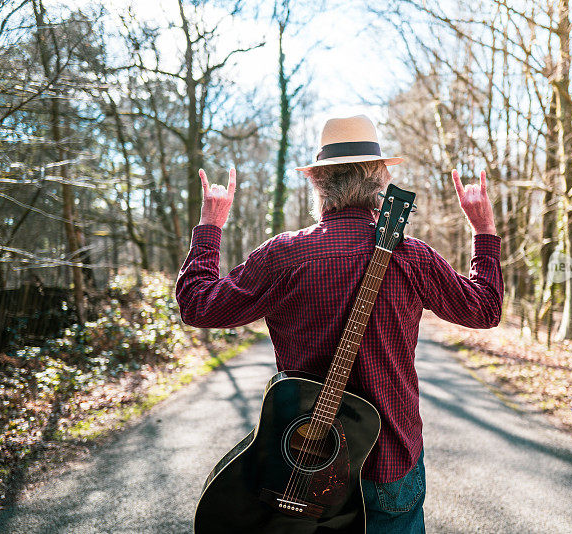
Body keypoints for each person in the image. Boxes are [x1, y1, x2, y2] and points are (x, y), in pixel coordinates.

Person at [175, 114, 504, 533]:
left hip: (300, 469)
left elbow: (198, 306)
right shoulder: (413, 256)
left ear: (317, 183)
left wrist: (210, 227)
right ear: (379, 181)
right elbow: (485, 309)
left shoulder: (284, 255)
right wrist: (483, 230)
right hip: (390, 461)